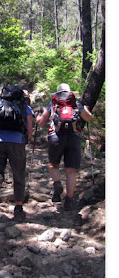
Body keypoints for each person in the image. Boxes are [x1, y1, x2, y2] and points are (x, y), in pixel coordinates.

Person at [35, 83, 92, 211]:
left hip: (56, 136)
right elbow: (88, 118)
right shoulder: (76, 103)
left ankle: (57, 183)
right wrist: (87, 110)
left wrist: (37, 117)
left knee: (53, 165)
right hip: (74, 137)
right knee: (70, 170)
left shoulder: (53, 103)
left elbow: (42, 122)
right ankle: (69, 200)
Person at [0, 85, 34, 221]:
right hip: (17, 142)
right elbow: (29, 130)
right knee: (18, 173)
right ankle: (18, 207)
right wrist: (24, 141)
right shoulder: (26, 107)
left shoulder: (0, 105)